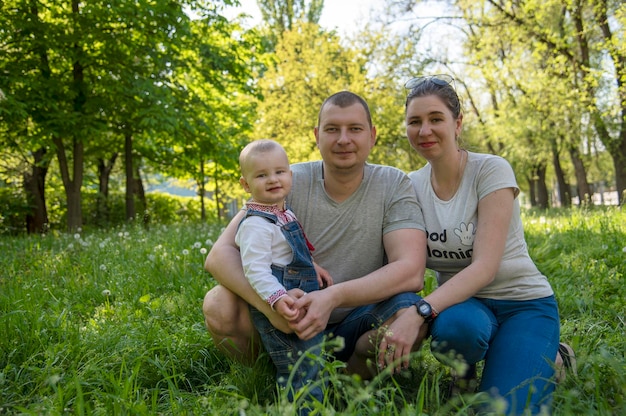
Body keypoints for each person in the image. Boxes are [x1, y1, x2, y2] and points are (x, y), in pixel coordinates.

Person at [203, 91, 429, 403]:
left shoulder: (393, 183)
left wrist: (332, 296)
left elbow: (411, 272)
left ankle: (343, 382)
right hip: (290, 320)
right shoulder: (285, 179)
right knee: (218, 302)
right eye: (332, 129)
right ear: (317, 135)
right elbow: (218, 256)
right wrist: (273, 306)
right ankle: (270, 373)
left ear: (373, 135)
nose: (343, 139)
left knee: (410, 314)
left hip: (358, 319)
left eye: (355, 129)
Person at [402, 74, 576, 415]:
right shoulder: (409, 187)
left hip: (523, 305)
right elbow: (399, 260)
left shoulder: (491, 170)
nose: (425, 131)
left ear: (458, 123)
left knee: (502, 411)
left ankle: (556, 358)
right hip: (464, 309)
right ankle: (464, 373)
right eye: (415, 121)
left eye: (436, 119)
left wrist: (419, 311)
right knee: (457, 329)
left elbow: (484, 268)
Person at [234, 139, 333, 405]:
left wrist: (313, 266)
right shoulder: (255, 224)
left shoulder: (282, 213)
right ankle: (303, 409)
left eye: (279, 172)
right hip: (282, 303)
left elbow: (287, 252)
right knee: (300, 366)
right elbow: (255, 269)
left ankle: (313, 404)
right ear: (246, 185)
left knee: (312, 359)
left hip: (299, 298)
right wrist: (277, 298)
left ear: (290, 175)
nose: (273, 179)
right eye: (261, 175)